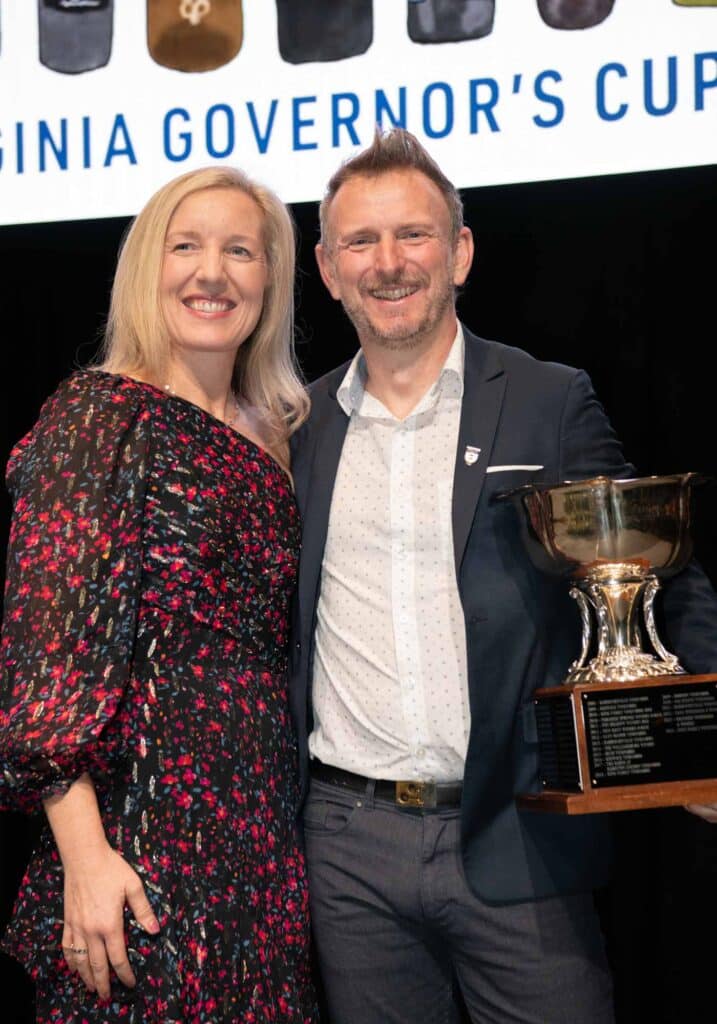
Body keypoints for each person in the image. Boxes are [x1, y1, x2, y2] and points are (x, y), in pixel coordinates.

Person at [288, 128, 717, 1023]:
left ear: (460, 251)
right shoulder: (297, 429)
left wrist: (703, 748)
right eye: (360, 242)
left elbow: (653, 578)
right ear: (327, 269)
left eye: (413, 234)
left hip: (517, 830)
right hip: (345, 846)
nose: (388, 263)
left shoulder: (547, 399)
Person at [0, 166, 318, 1023]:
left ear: (270, 279)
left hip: (260, 835)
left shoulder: (278, 434)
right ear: (148, 265)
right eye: (186, 246)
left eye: (239, 251)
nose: (211, 273)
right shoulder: (100, 416)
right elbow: (48, 661)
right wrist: (86, 859)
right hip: (143, 838)